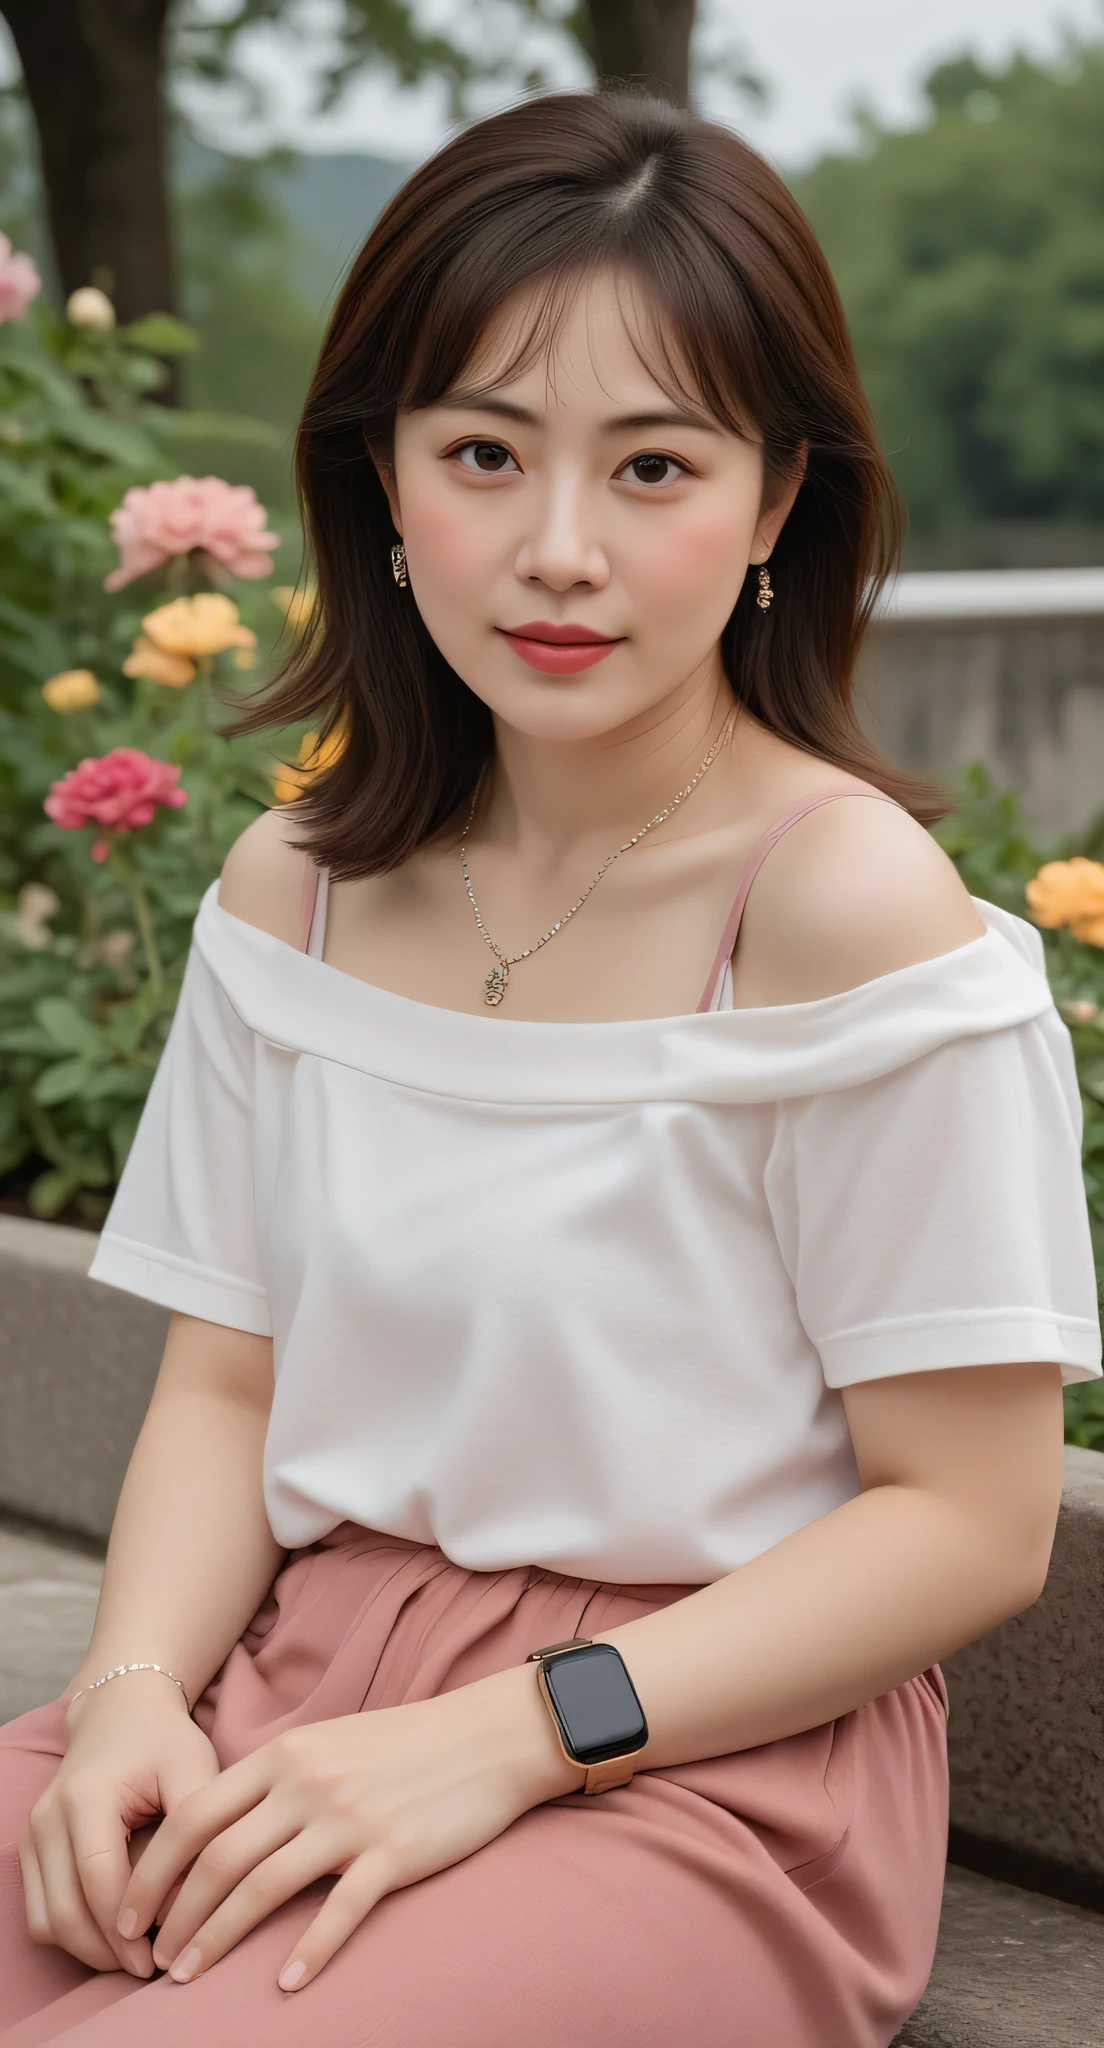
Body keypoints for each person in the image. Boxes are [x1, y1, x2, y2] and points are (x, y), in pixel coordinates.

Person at [0, 89, 1098, 2048]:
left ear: (775, 505)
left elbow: (971, 1516)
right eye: (484, 452)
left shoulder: (848, 916)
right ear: (385, 483)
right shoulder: (298, 891)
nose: (559, 548)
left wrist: (518, 1731)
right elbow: (226, 1378)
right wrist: (133, 1700)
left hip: (696, 1763)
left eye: (655, 464)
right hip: (283, 1682)